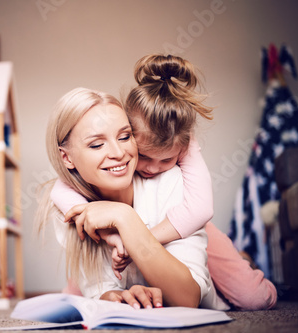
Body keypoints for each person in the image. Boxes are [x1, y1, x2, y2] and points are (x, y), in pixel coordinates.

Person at [51, 54, 277, 311]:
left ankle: (244, 260)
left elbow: (200, 210)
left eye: (166, 160)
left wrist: (129, 230)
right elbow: (60, 188)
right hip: (150, 224)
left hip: (188, 219)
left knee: (253, 298)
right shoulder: (123, 145)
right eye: (144, 156)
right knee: (73, 297)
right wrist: (101, 231)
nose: (151, 169)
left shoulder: (181, 149)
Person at [36, 87, 227, 310]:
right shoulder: (66, 208)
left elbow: (188, 299)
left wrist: (124, 217)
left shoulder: (170, 181)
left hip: (200, 241)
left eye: (125, 136)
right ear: (67, 158)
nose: (118, 152)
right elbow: (100, 288)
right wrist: (112, 297)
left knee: (253, 297)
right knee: (72, 297)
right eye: (97, 144)